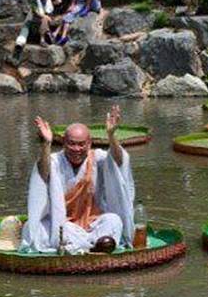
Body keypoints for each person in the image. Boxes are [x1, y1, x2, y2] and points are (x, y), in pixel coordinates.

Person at [20, 105, 136, 255]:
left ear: (89, 143)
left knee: (114, 220)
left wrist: (111, 136)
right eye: (72, 143)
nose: (77, 149)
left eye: (81, 144)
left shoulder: (98, 158)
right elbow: (42, 174)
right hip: (65, 223)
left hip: (92, 223)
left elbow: (119, 162)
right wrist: (46, 144)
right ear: (64, 143)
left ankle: (81, 247)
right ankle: (93, 248)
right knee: (39, 228)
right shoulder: (54, 160)